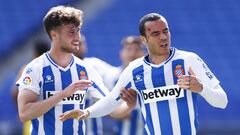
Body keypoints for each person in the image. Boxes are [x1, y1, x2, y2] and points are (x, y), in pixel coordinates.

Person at [59, 13, 228, 135]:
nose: (163, 37)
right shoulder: (135, 69)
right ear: (144, 40)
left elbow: (222, 101)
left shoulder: (189, 60)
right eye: (155, 34)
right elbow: (111, 100)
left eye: (165, 31)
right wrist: (86, 112)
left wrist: (201, 88)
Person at [16, 5, 136, 135]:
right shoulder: (35, 68)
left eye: (78, 31)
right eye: (71, 32)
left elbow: (110, 108)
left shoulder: (85, 69)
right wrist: (63, 94)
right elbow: (24, 113)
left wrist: (129, 105)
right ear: (54, 35)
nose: (77, 37)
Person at [104, 36, 145, 135]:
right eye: (128, 49)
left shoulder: (151, 76)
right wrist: (116, 113)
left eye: (137, 49)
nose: (132, 53)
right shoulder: (111, 77)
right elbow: (103, 106)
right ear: (121, 53)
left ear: (144, 53)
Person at [12, 40, 50, 135]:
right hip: (52, 117)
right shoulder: (55, 69)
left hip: (33, 116)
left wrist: (20, 110)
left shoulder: (27, 69)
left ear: (35, 53)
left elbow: (14, 93)